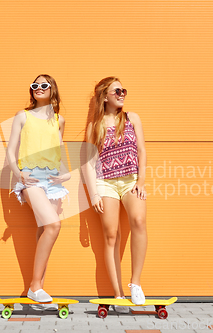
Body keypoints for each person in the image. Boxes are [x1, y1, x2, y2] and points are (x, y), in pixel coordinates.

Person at [83, 76, 148, 313]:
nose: (122, 94)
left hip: (131, 180)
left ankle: (135, 284)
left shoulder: (132, 118)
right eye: (117, 90)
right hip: (105, 183)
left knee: (139, 222)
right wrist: (94, 195)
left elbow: (141, 150)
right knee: (111, 236)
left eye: (124, 90)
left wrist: (141, 180)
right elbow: (88, 162)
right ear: (104, 95)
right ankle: (118, 294)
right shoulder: (94, 125)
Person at [6, 74, 70, 308]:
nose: (39, 88)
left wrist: (67, 174)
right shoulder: (22, 116)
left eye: (44, 85)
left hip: (53, 180)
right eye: (35, 85)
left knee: (45, 229)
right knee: (54, 226)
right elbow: (11, 151)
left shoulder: (59, 120)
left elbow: (58, 152)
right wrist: (18, 174)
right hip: (31, 177)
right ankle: (35, 287)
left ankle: (39, 288)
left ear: (53, 90)